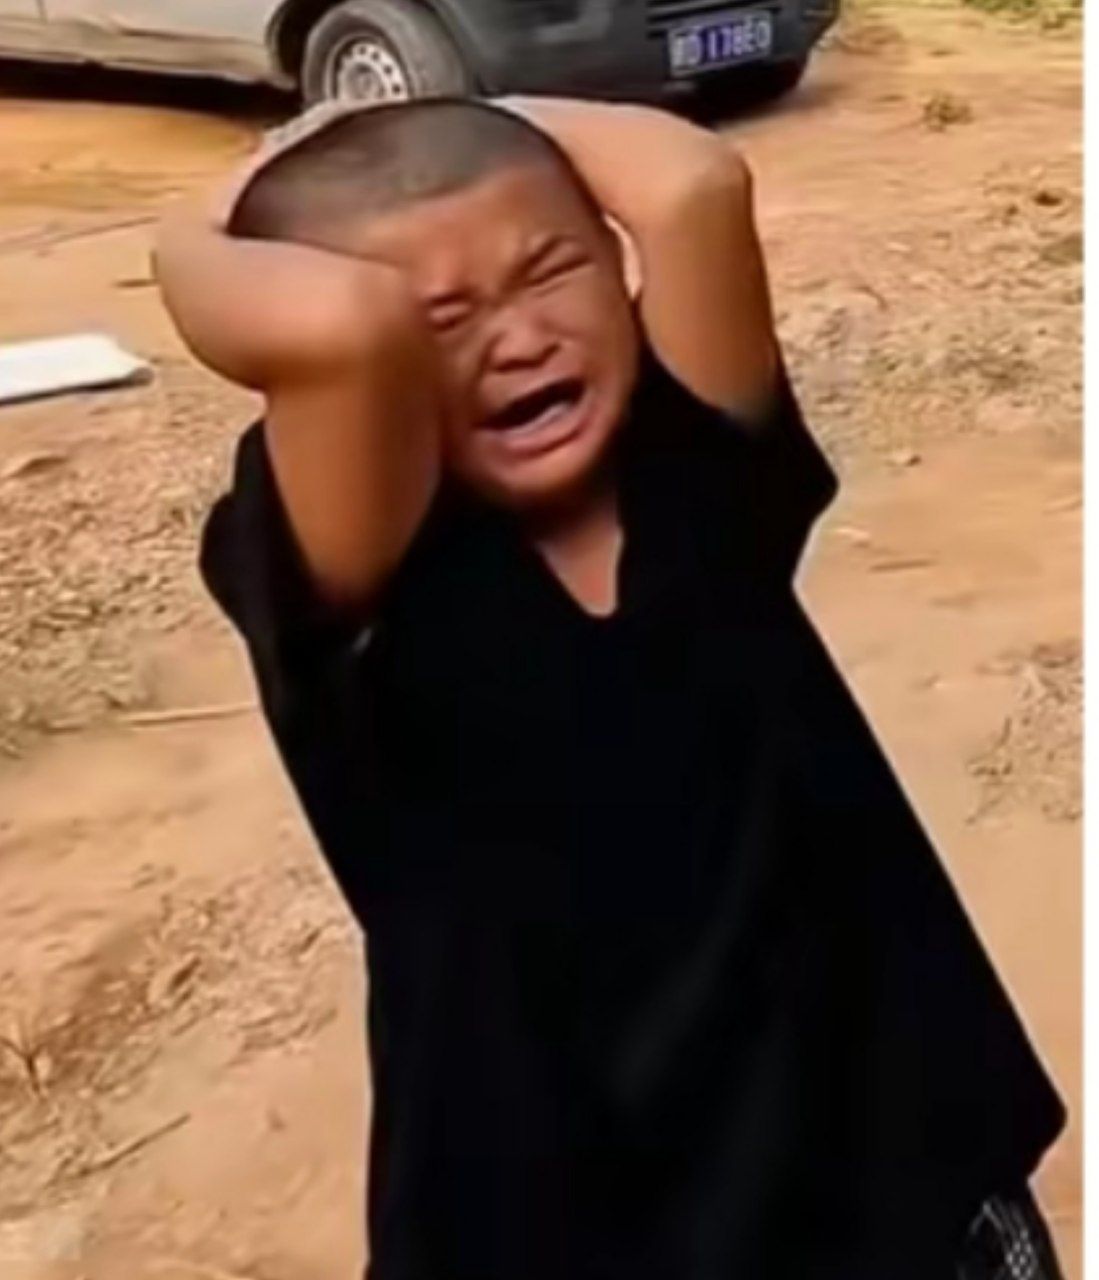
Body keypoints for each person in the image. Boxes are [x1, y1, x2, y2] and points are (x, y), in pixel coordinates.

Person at [156, 97, 1066, 1280]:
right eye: (442, 321)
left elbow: (691, 184)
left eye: (551, 271)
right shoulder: (360, 587)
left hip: (901, 1182)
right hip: (571, 1229)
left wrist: (477, 114)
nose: (520, 339)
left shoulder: (700, 473)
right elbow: (343, 322)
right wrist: (191, 229)